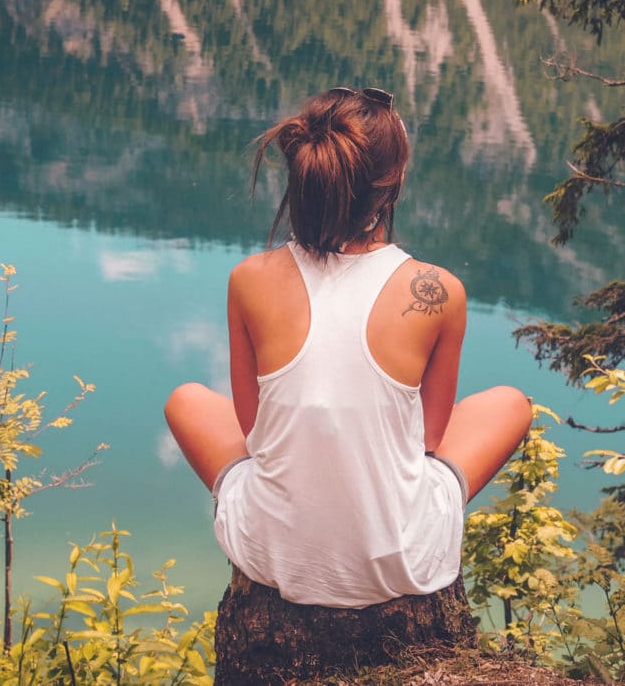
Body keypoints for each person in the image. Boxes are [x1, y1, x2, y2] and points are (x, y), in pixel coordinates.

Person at [164, 86, 532, 609]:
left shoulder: (249, 278)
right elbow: (427, 441)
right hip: (401, 557)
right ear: (390, 188)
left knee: (186, 399)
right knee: (510, 404)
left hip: (273, 554)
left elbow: (252, 430)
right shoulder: (439, 291)